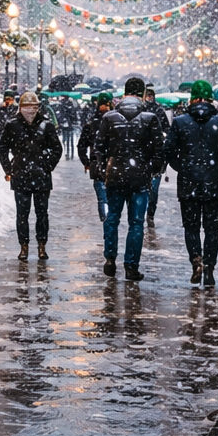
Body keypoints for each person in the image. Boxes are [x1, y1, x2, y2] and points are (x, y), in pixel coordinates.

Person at [165, 79, 218, 288]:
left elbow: (169, 151)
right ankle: (209, 267)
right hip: (214, 183)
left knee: (190, 228)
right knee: (212, 229)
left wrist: (182, 166)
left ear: (192, 99)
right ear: (210, 99)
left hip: (188, 183)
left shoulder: (180, 122)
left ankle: (196, 260)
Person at [94, 76, 165, 283]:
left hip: (115, 176)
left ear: (124, 93)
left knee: (112, 218)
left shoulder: (109, 118)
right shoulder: (150, 118)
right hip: (139, 179)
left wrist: (103, 168)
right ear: (143, 94)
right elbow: (158, 151)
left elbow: (99, 148)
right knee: (136, 223)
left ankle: (110, 257)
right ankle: (131, 265)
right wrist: (149, 170)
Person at [0, 90, 63, 261]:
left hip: (41, 176)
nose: (29, 110)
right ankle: (23, 246)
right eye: (26, 106)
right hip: (21, 174)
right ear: (20, 107)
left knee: (42, 213)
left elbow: (57, 148)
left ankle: (42, 245)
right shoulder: (12, 125)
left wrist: (48, 165)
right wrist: (9, 168)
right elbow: (2, 148)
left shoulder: (46, 125)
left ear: (37, 107)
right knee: (22, 213)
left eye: (32, 106)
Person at [78, 92, 114, 222]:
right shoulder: (94, 124)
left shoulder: (95, 123)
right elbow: (82, 145)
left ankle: (108, 220)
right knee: (104, 197)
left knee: (107, 197)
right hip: (102, 164)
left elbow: (82, 145)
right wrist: (86, 162)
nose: (106, 107)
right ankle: (107, 220)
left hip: (108, 165)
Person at [142, 85, 171, 224]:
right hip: (143, 155)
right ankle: (142, 212)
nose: (149, 98)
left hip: (156, 154)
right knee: (142, 188)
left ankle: (150, 212)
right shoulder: (141, 109)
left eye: (151, 95)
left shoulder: (159, 110)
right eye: (147, 95)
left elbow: (167, 129)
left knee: (153, 189)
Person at [56, 94, 80, 159]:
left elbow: (59, 114)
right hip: (70, 124)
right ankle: (71, 153)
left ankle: (67, 153)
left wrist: (61, 122)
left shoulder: (61, 104)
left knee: (65, 140)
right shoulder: (71, 104)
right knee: (70, 140)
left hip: (65, 124)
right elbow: (74, 113)